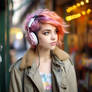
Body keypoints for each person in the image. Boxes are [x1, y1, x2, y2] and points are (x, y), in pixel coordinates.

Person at [9, 9, 77, 92]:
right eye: (46, 33)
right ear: (33, 37)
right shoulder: (18, 69)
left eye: (55, 31)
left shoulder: (66, 63)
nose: (54, 37)